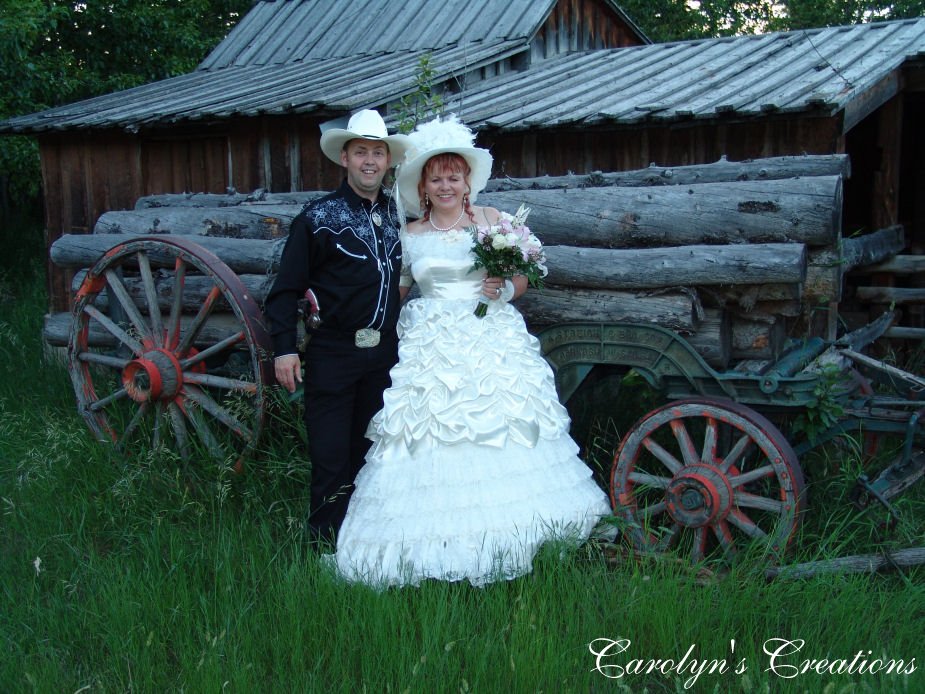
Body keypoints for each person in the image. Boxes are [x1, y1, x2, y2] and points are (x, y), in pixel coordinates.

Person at [329, 115, 612, 587]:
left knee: (503, 427)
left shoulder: (495, 223)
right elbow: (396, 291)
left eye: (453, 176)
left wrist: (504, 289)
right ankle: (427, 540)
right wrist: (359, 323)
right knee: (428, 433)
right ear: (422, 185)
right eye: (435, 178)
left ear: (467, 181)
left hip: (491, 339)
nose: (445, 185)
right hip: (431, 344)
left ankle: (521, 533)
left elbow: (527, 274)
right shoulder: (411, 235)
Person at [264, 109, 411, 545]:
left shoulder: (399, 214)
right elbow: (284, 290)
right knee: (330, 458)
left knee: (372, 454)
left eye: (378, 153)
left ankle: (365, 548)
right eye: (361, 151)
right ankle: (324, 549)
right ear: (344, 158)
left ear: (388, 161)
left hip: (385, 354)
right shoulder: (317, 218)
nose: (370, 161)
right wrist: (284, 349)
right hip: (334, 353)